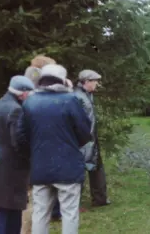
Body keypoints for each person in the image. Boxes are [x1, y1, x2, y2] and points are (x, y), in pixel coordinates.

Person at [17, 64, 92, 234]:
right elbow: (85, 132)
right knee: (69, 213)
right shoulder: (71, 100)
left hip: (40, 167)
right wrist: (71, 146)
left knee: (40, 213)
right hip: (68, 167)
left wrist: (35, 152)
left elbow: (20, 135)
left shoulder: (30, 102)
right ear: (62, 80)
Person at [0, 76, 35, 234]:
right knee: (9, 213)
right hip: (12, 168)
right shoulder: (15, 109)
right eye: (29, 94)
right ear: (22, 93)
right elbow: (19, 142)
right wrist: (31, 158)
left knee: (6, 209)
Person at [75, 69, 111, 207]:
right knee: (79, 172)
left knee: (97, 169)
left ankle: (100, 199)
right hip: (83, 142)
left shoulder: (88, 95)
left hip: (92, 139)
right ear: (87, 82)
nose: (97, 84)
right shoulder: (77, 97)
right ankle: (75, 204)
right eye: (95, 81)